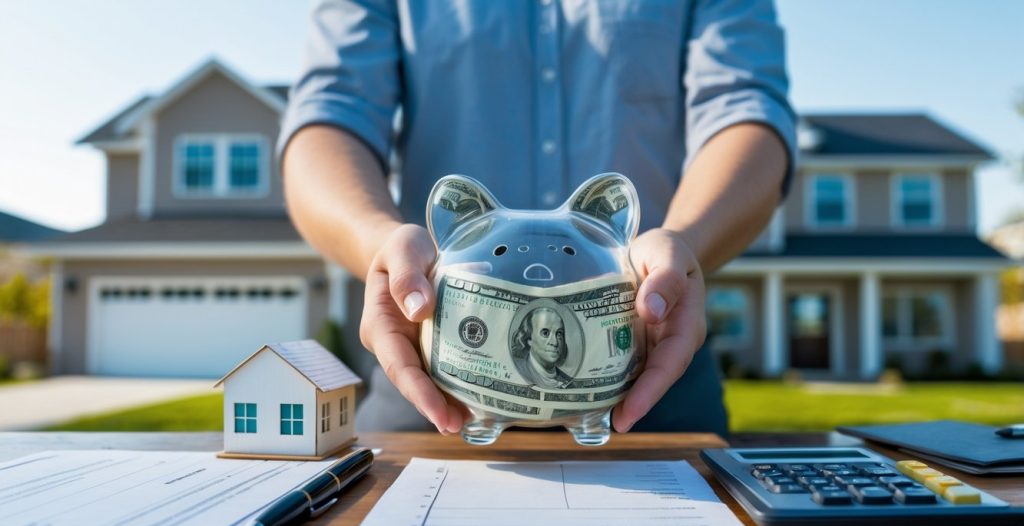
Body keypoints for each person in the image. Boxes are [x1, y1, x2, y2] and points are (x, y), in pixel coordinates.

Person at [278, 0, 796, 437]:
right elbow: (328, 117)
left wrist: (685, 242)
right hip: (430, 382)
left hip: (659, 368)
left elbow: (745, 110)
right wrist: (381, 241)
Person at [510, 307, 573, 389]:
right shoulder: (515, 371)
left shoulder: (569, 383)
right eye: (545, 333)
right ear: (529, 339)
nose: (555, 342)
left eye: (559, 334)